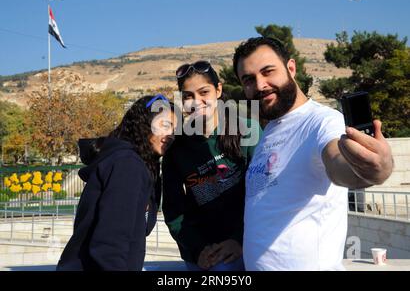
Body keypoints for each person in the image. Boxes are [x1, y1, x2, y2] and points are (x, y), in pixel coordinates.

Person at [233, 37, 394, 271]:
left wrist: (371, 169)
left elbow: (338, 163)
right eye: (248, 79)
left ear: (291, 68)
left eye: (268, 71)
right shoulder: (270, 129)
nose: (259, 85)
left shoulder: (322, 121)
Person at [56, 95, 178, 271]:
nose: (171, 135)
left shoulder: (136, 164)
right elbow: (109, 245)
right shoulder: (127, 164)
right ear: (144, 124)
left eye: (174, 130)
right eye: (165, 125)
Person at [162, 61, 262, 271]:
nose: (196, 102)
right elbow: (174, 210)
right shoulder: (177, 147)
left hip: (248, 240)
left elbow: (263, 193)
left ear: (218, 90)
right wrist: (198, 250)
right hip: (203, 253)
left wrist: (239, 240)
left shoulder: (248, 131)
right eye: (188, 96)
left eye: (203, 92)